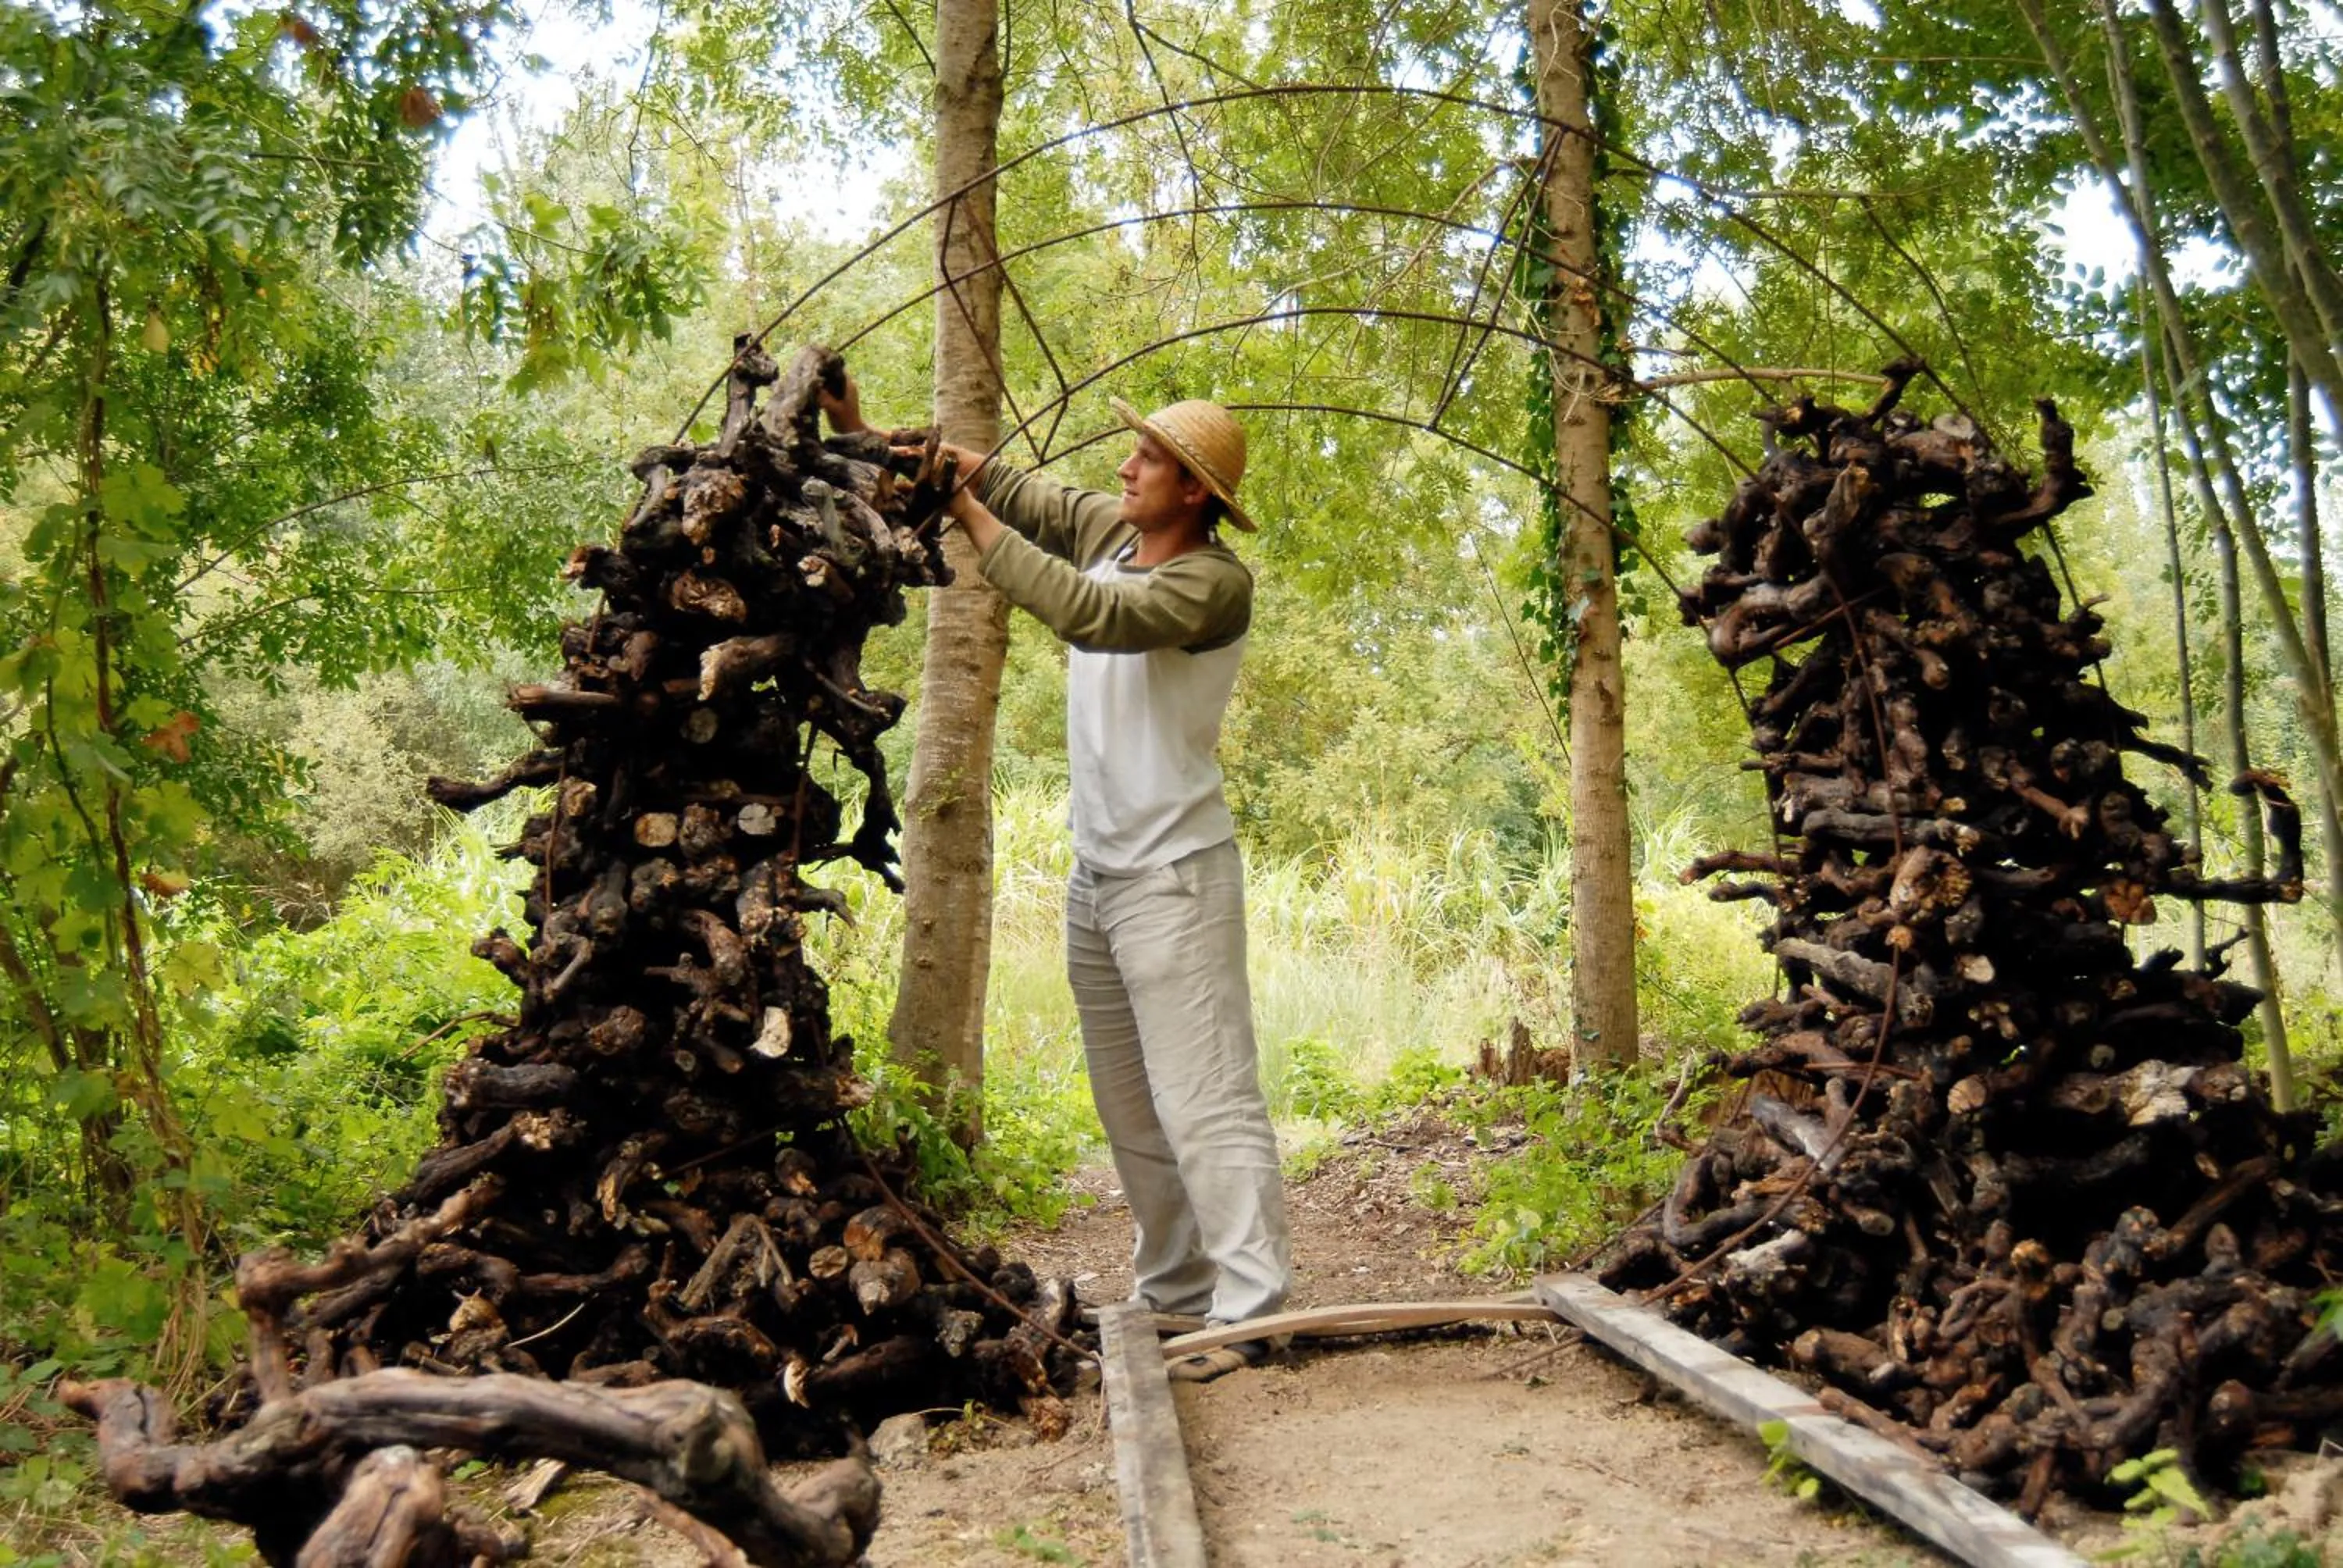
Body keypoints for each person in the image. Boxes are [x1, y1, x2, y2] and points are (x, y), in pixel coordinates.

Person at [823, 377, 1292, 1380]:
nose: (1125, 467)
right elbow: (1001, 481)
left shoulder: (1213, 583)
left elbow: (1088, 614)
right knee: (1130, 1104)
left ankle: (1251, 1312)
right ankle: (1178, 1291)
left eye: (1148, 459)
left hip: (1175, 878)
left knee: (1206, 1097)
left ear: (1194, 490)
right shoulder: (1112, 531)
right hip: (1100, 878)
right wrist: (866, 430)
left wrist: (965, 512)